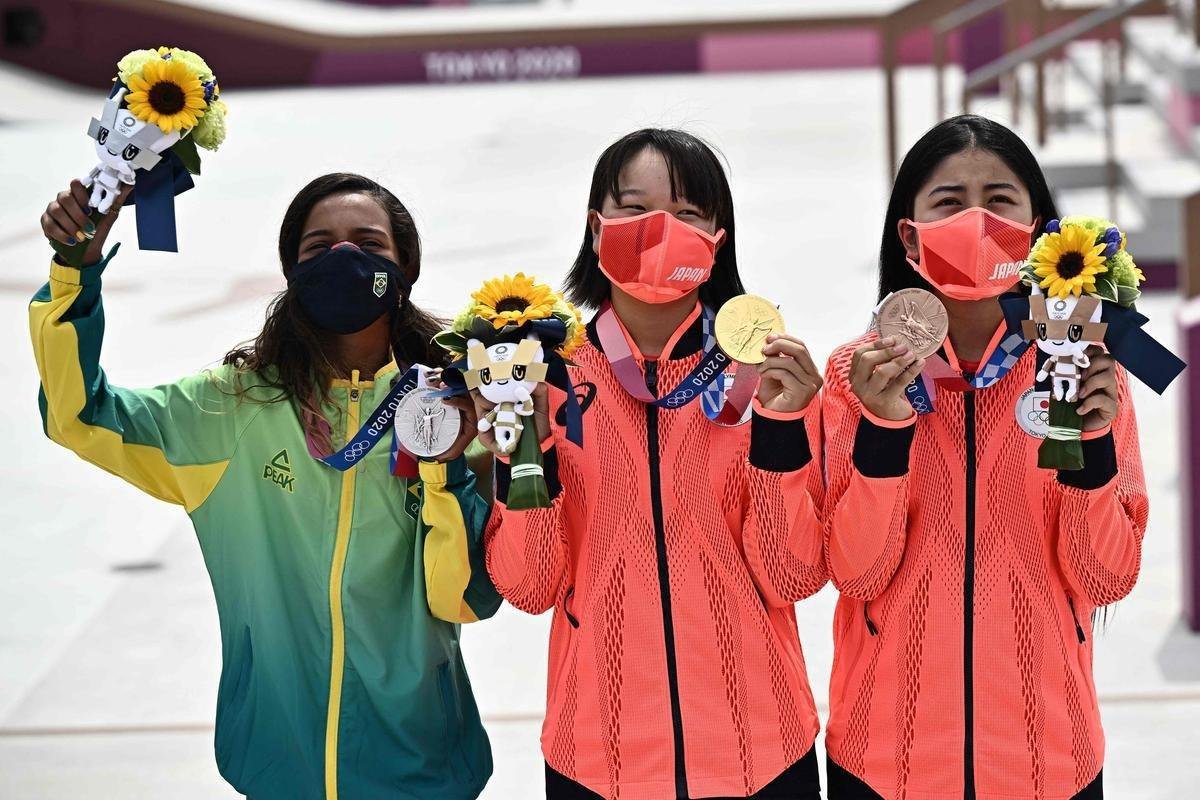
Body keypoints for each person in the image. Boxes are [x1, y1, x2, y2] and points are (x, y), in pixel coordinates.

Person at [30, 172, 501, 799]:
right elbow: (80, 415)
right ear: (292, 271)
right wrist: (75, 272)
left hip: (422, 767)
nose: (344, 257)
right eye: (318, 247)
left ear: (405, 267)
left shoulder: (457, 406)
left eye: (368, 243)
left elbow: (469, 597)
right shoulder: (233, 409)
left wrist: (446, 465)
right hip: (280, 767)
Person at [477, 128, 828, 799]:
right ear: (596, 226)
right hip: (596, 757)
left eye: (688, 213)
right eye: (635, 210)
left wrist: (782, 429)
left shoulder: (764, 374)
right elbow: (528, 586)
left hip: (761, 751)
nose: (660, 229)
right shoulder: (541, 374)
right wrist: (527, 448)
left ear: (718, 238)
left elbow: (792, 574)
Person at [821, 115, 1148, 799]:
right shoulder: (858, 374)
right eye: (948, 202)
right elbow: (856, 573)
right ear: (908, 233)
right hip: (885, 765)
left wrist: (1089, 450)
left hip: (1049, 762)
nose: (976, 220)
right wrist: (883, 433)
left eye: (1000, 200)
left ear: (1040, 232)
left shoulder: (1086, 370)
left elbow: (1104, 579)